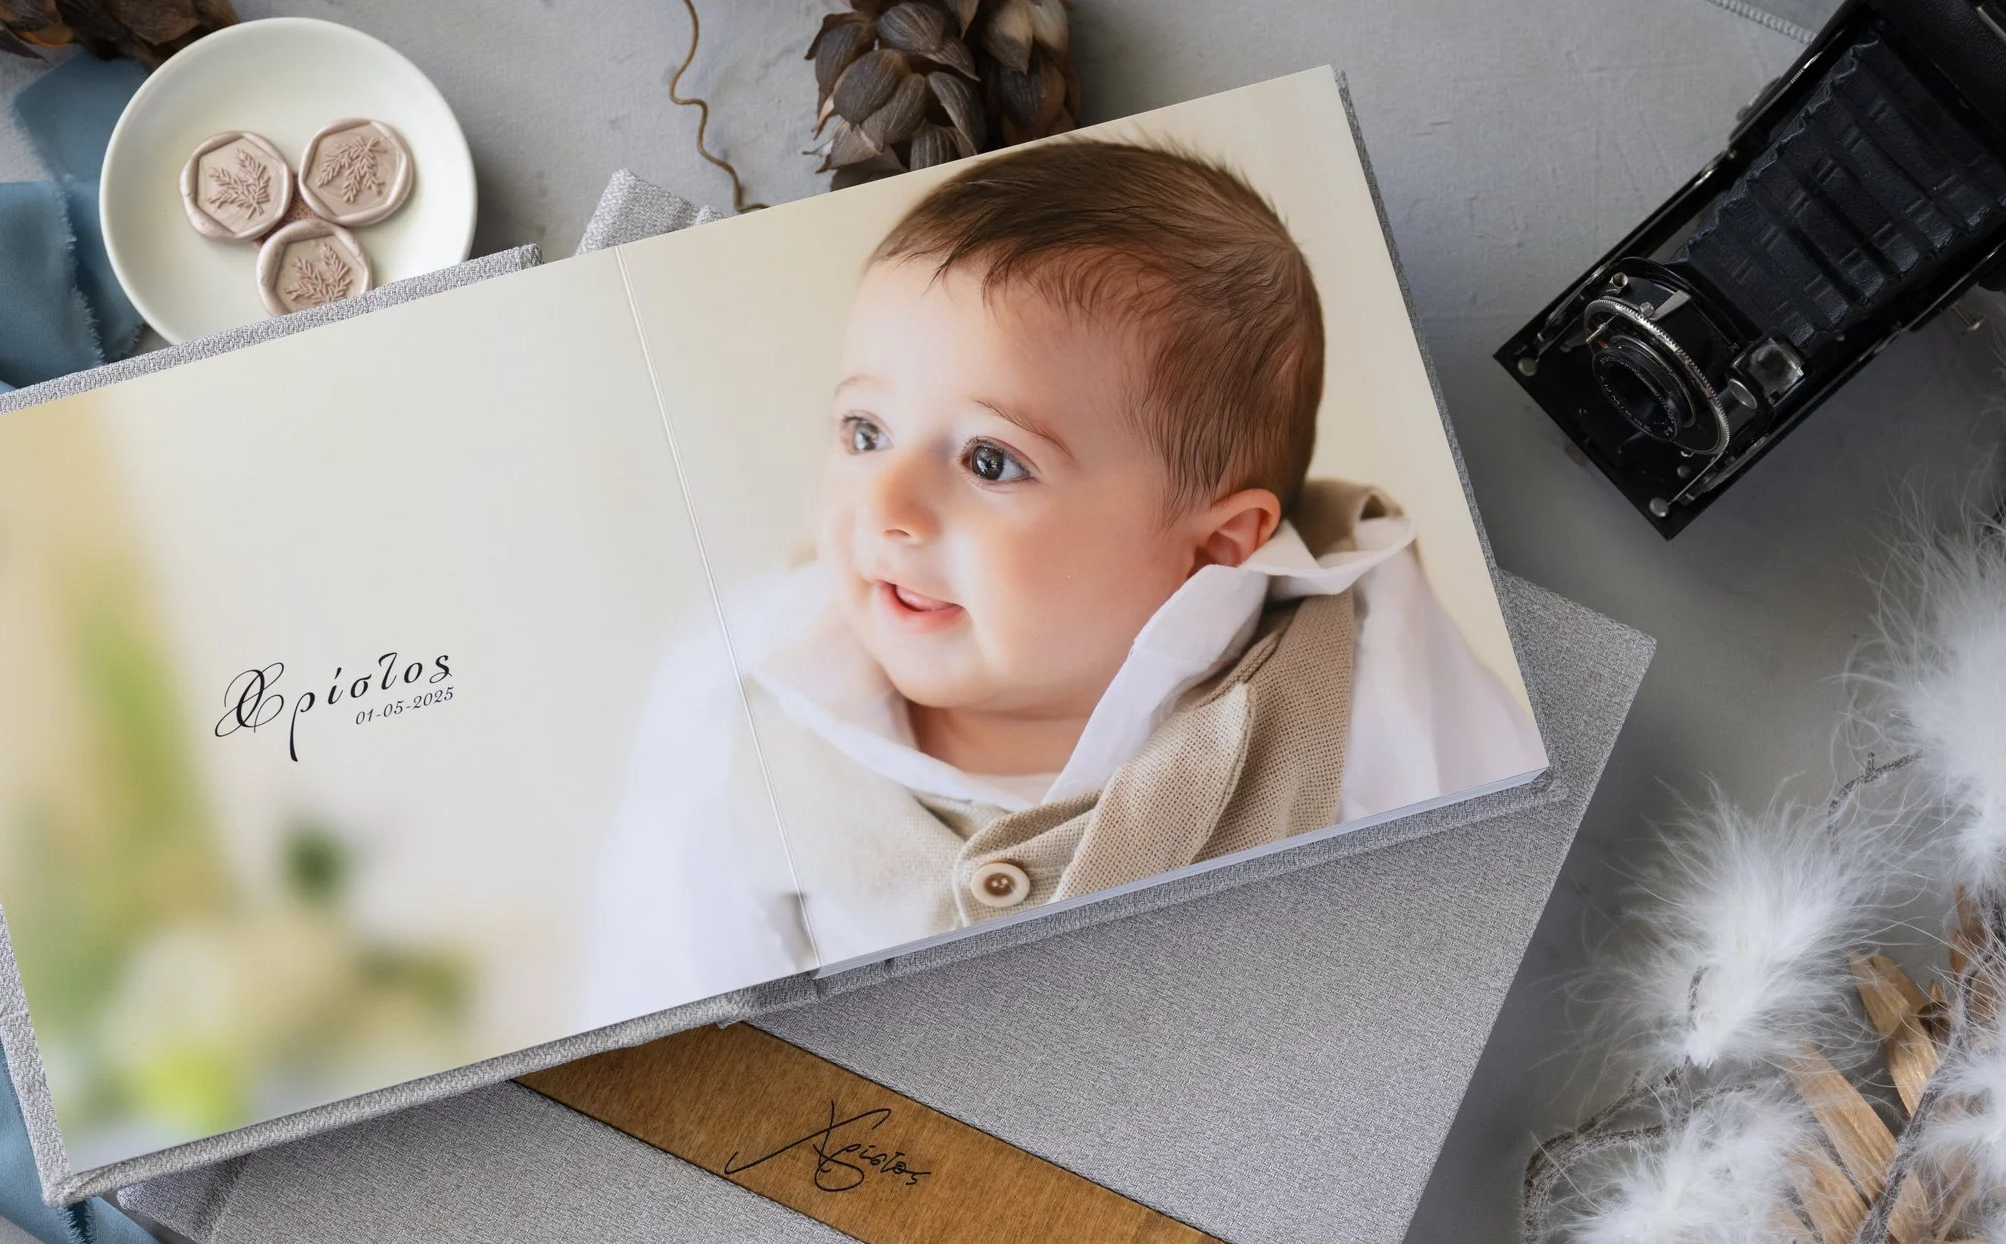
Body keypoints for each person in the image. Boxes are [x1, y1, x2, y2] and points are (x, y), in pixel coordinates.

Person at [582, 139, 1544, 1024]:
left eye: (992, 461)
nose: (889, 505)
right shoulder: (741, 701)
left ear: (1215, 550)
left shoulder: (1366, 675)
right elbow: (662, 990)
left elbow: (1482, 911)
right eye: (865, 432)